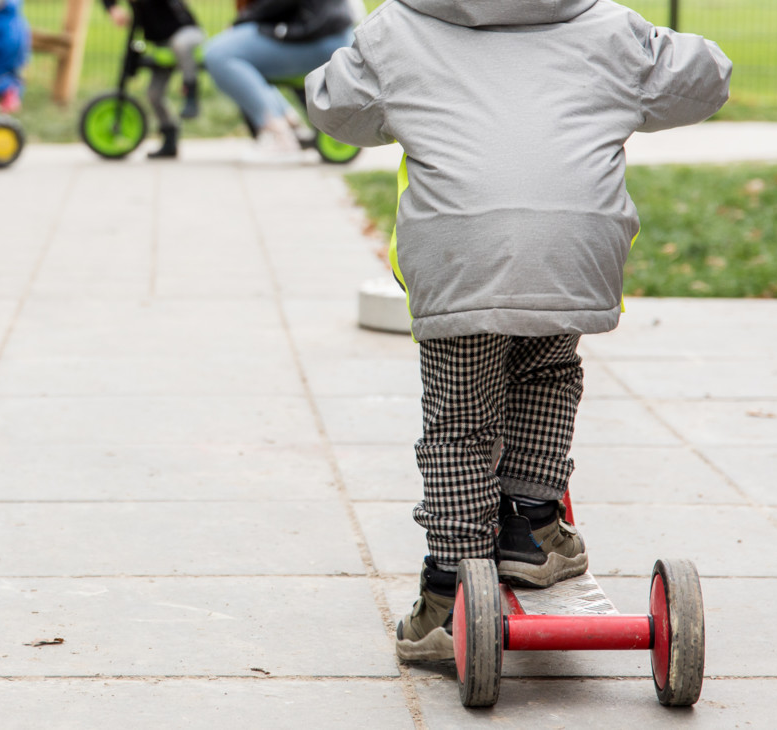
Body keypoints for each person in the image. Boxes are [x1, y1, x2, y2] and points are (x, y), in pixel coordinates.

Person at [306, 0, 731, 661]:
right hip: (571, 251)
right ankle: (530, 525)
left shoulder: (399, 30)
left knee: (459, 420)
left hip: (458, 255)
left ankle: (449, 590)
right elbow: (706, 78)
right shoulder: (609, 29)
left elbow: (333, 107)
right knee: (547, 371)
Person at [203, 0, 353, 156]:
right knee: (229, 50)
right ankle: (289, 122)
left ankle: (277, 132)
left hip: (316, 34)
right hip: (327, 29)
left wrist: (242, 20)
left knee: (218, 55)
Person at [102, 0, 204, 158]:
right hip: (162, 45)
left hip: (187, 33)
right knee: (153, 94)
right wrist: (112, 8)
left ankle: (191, 92)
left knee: (180, 45)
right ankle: (169, 138)